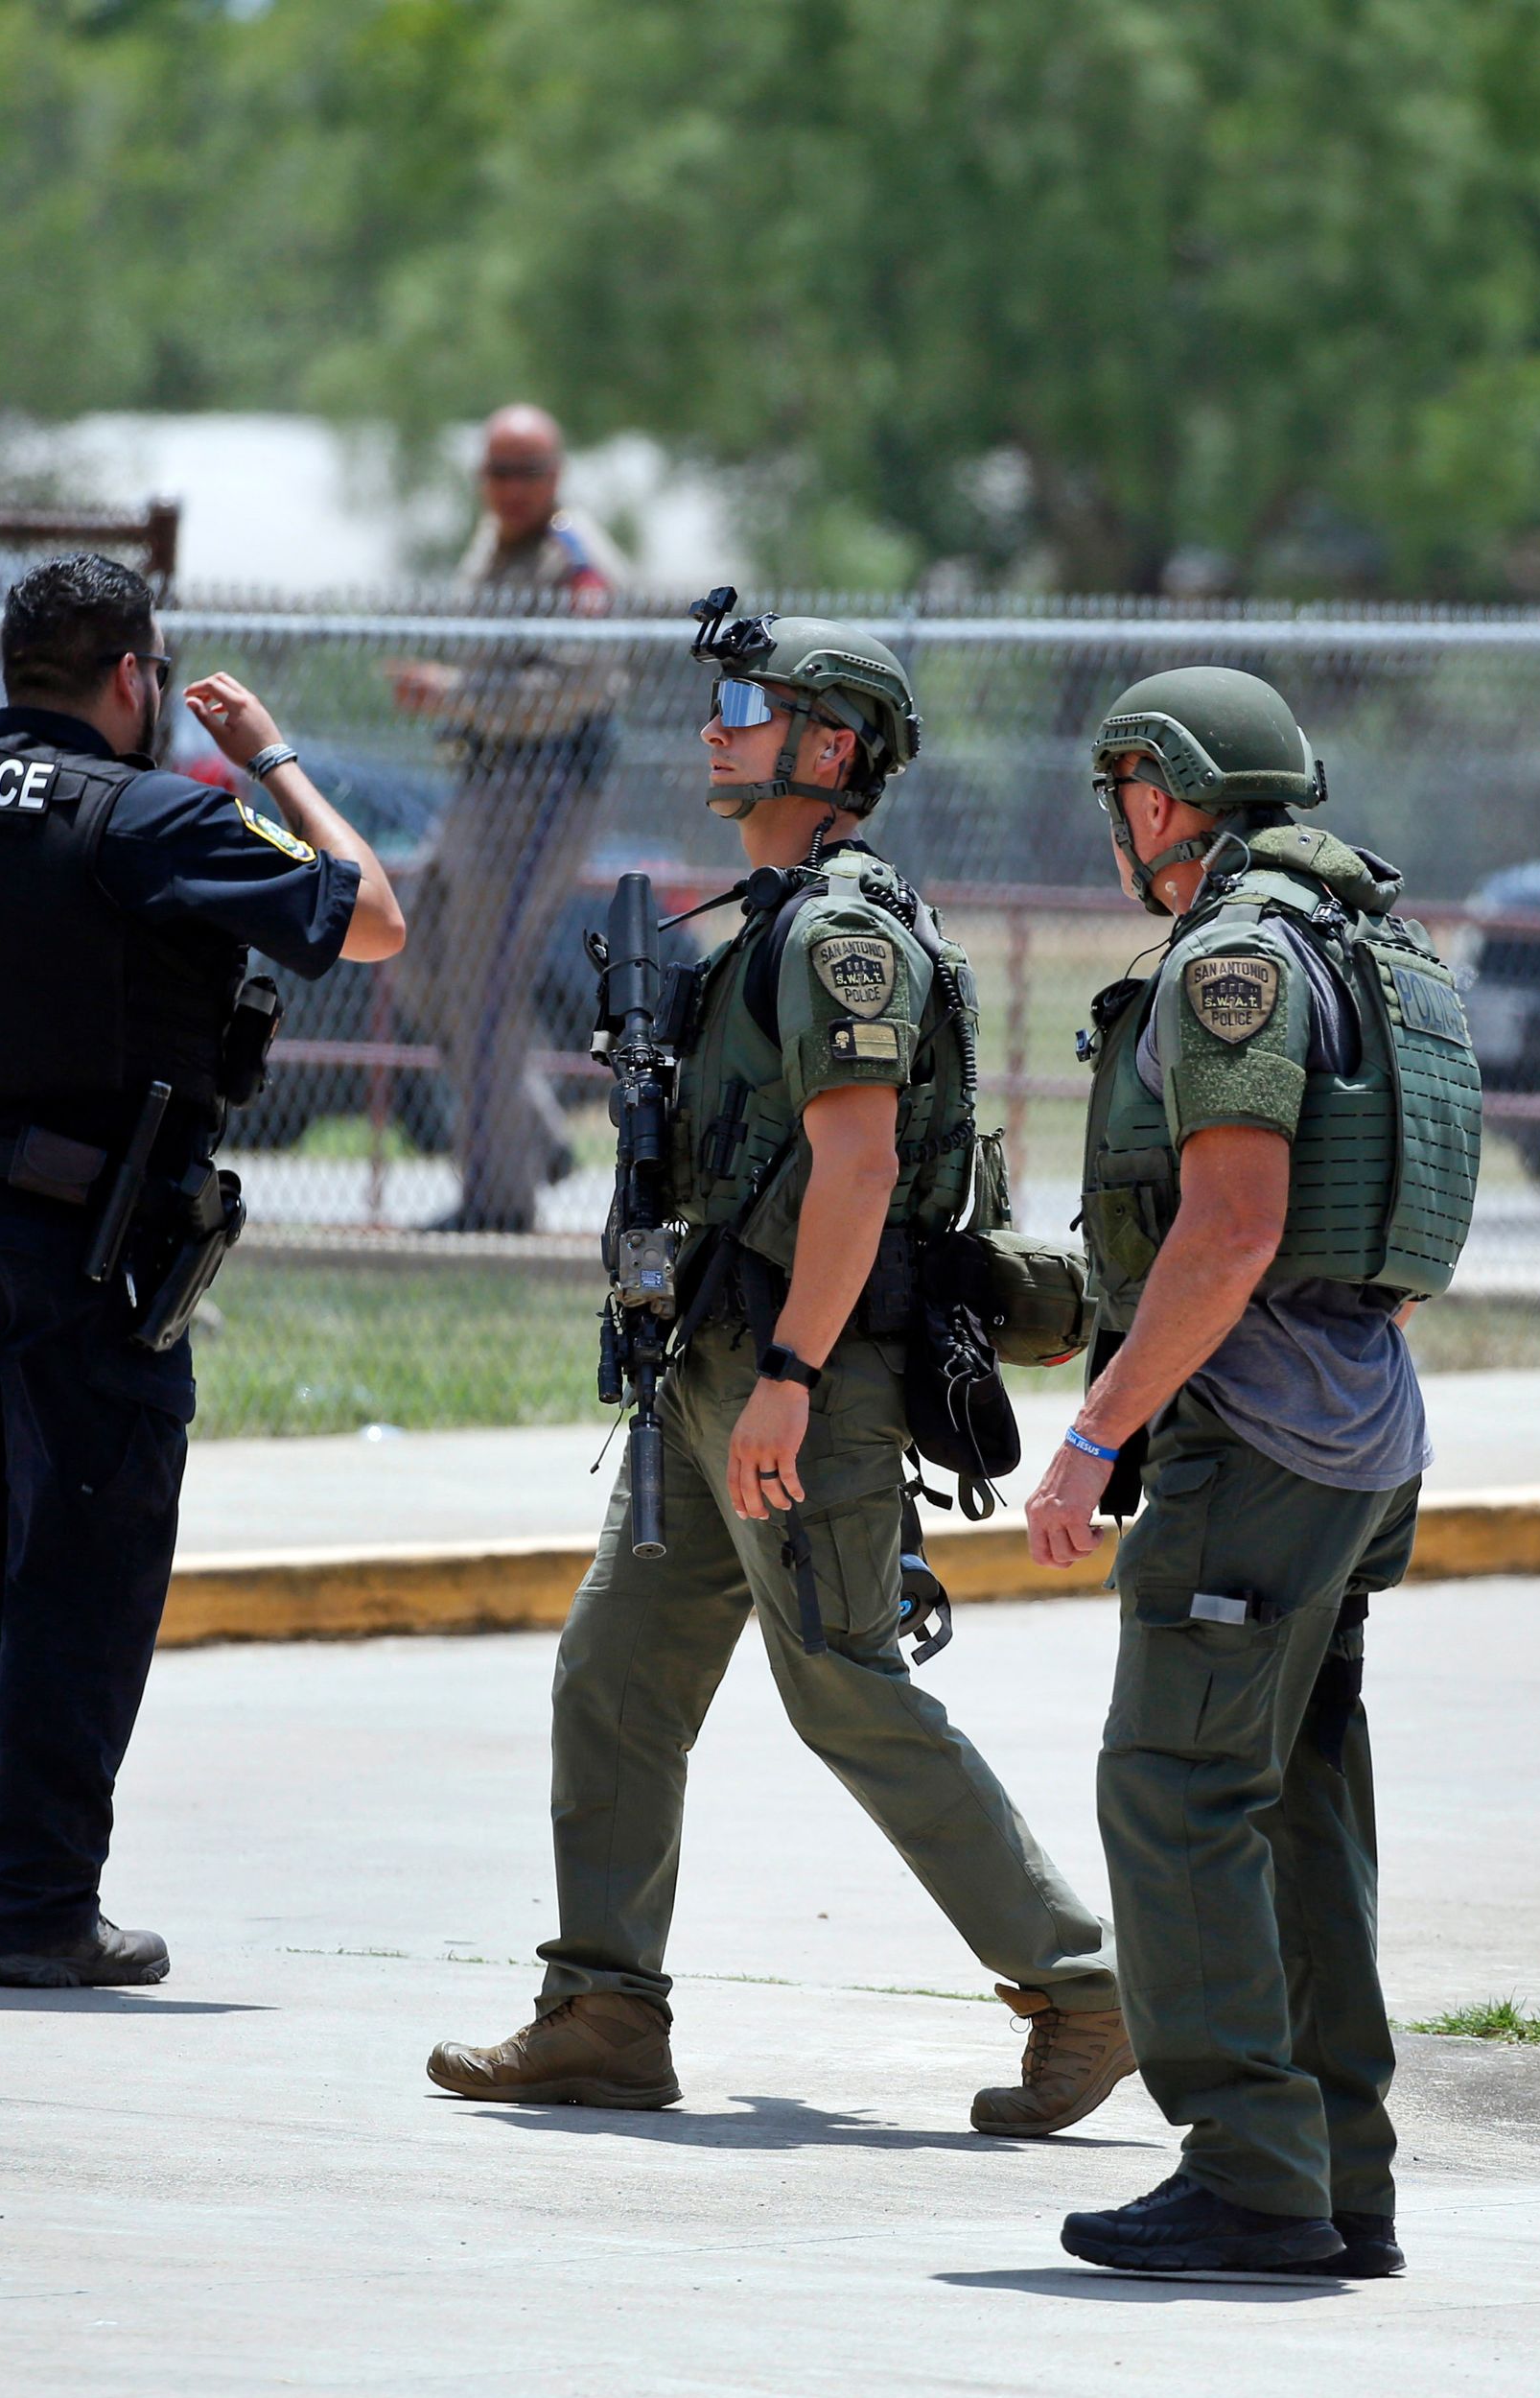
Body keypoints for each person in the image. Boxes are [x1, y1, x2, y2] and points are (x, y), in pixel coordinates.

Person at [428, 598, 1132, 2130]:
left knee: (848, 1692)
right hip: (711, 1359)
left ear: (828, 744)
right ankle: (605, 2006)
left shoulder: (840, 931)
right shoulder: (772, 912)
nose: (712, 724)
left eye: (745, 702)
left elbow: (859, 1165)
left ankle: (1080, 1985)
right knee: (614, 1675)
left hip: (794, 1367)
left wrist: (797, 1376)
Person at [0, 556, 405, 1988]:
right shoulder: (150, 813)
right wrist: (274, 757)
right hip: (82, 1245)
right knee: (84, 1557)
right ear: (132, 678)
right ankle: (47, 1903)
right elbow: (368, 912)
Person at [1023, 667, 1482, 2276]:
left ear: (1160, 794)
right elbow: (1403, 1233)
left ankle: (1250, 2165)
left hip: (1265, 1437)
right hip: (1366, 1427)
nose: (1121, 825)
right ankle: (1340, 2175)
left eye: (1123, 794)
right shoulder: (1376, 947)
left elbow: (1230, 1227)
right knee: (1296, 1804)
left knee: (1174, 1787)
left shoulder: (1235, 953)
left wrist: (1091, 1441)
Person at [384, 404, 633, 1232]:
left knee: (485, 981)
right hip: (480, 779)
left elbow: (574, 686)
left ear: (556, 476)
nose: (512, 487)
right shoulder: (491, 545)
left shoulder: (575, 558)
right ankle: (530, 1132)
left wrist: (456, 692)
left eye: (528, 471)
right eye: (498, 471)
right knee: (414, 954)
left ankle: (497, 1197)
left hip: (545, 781)